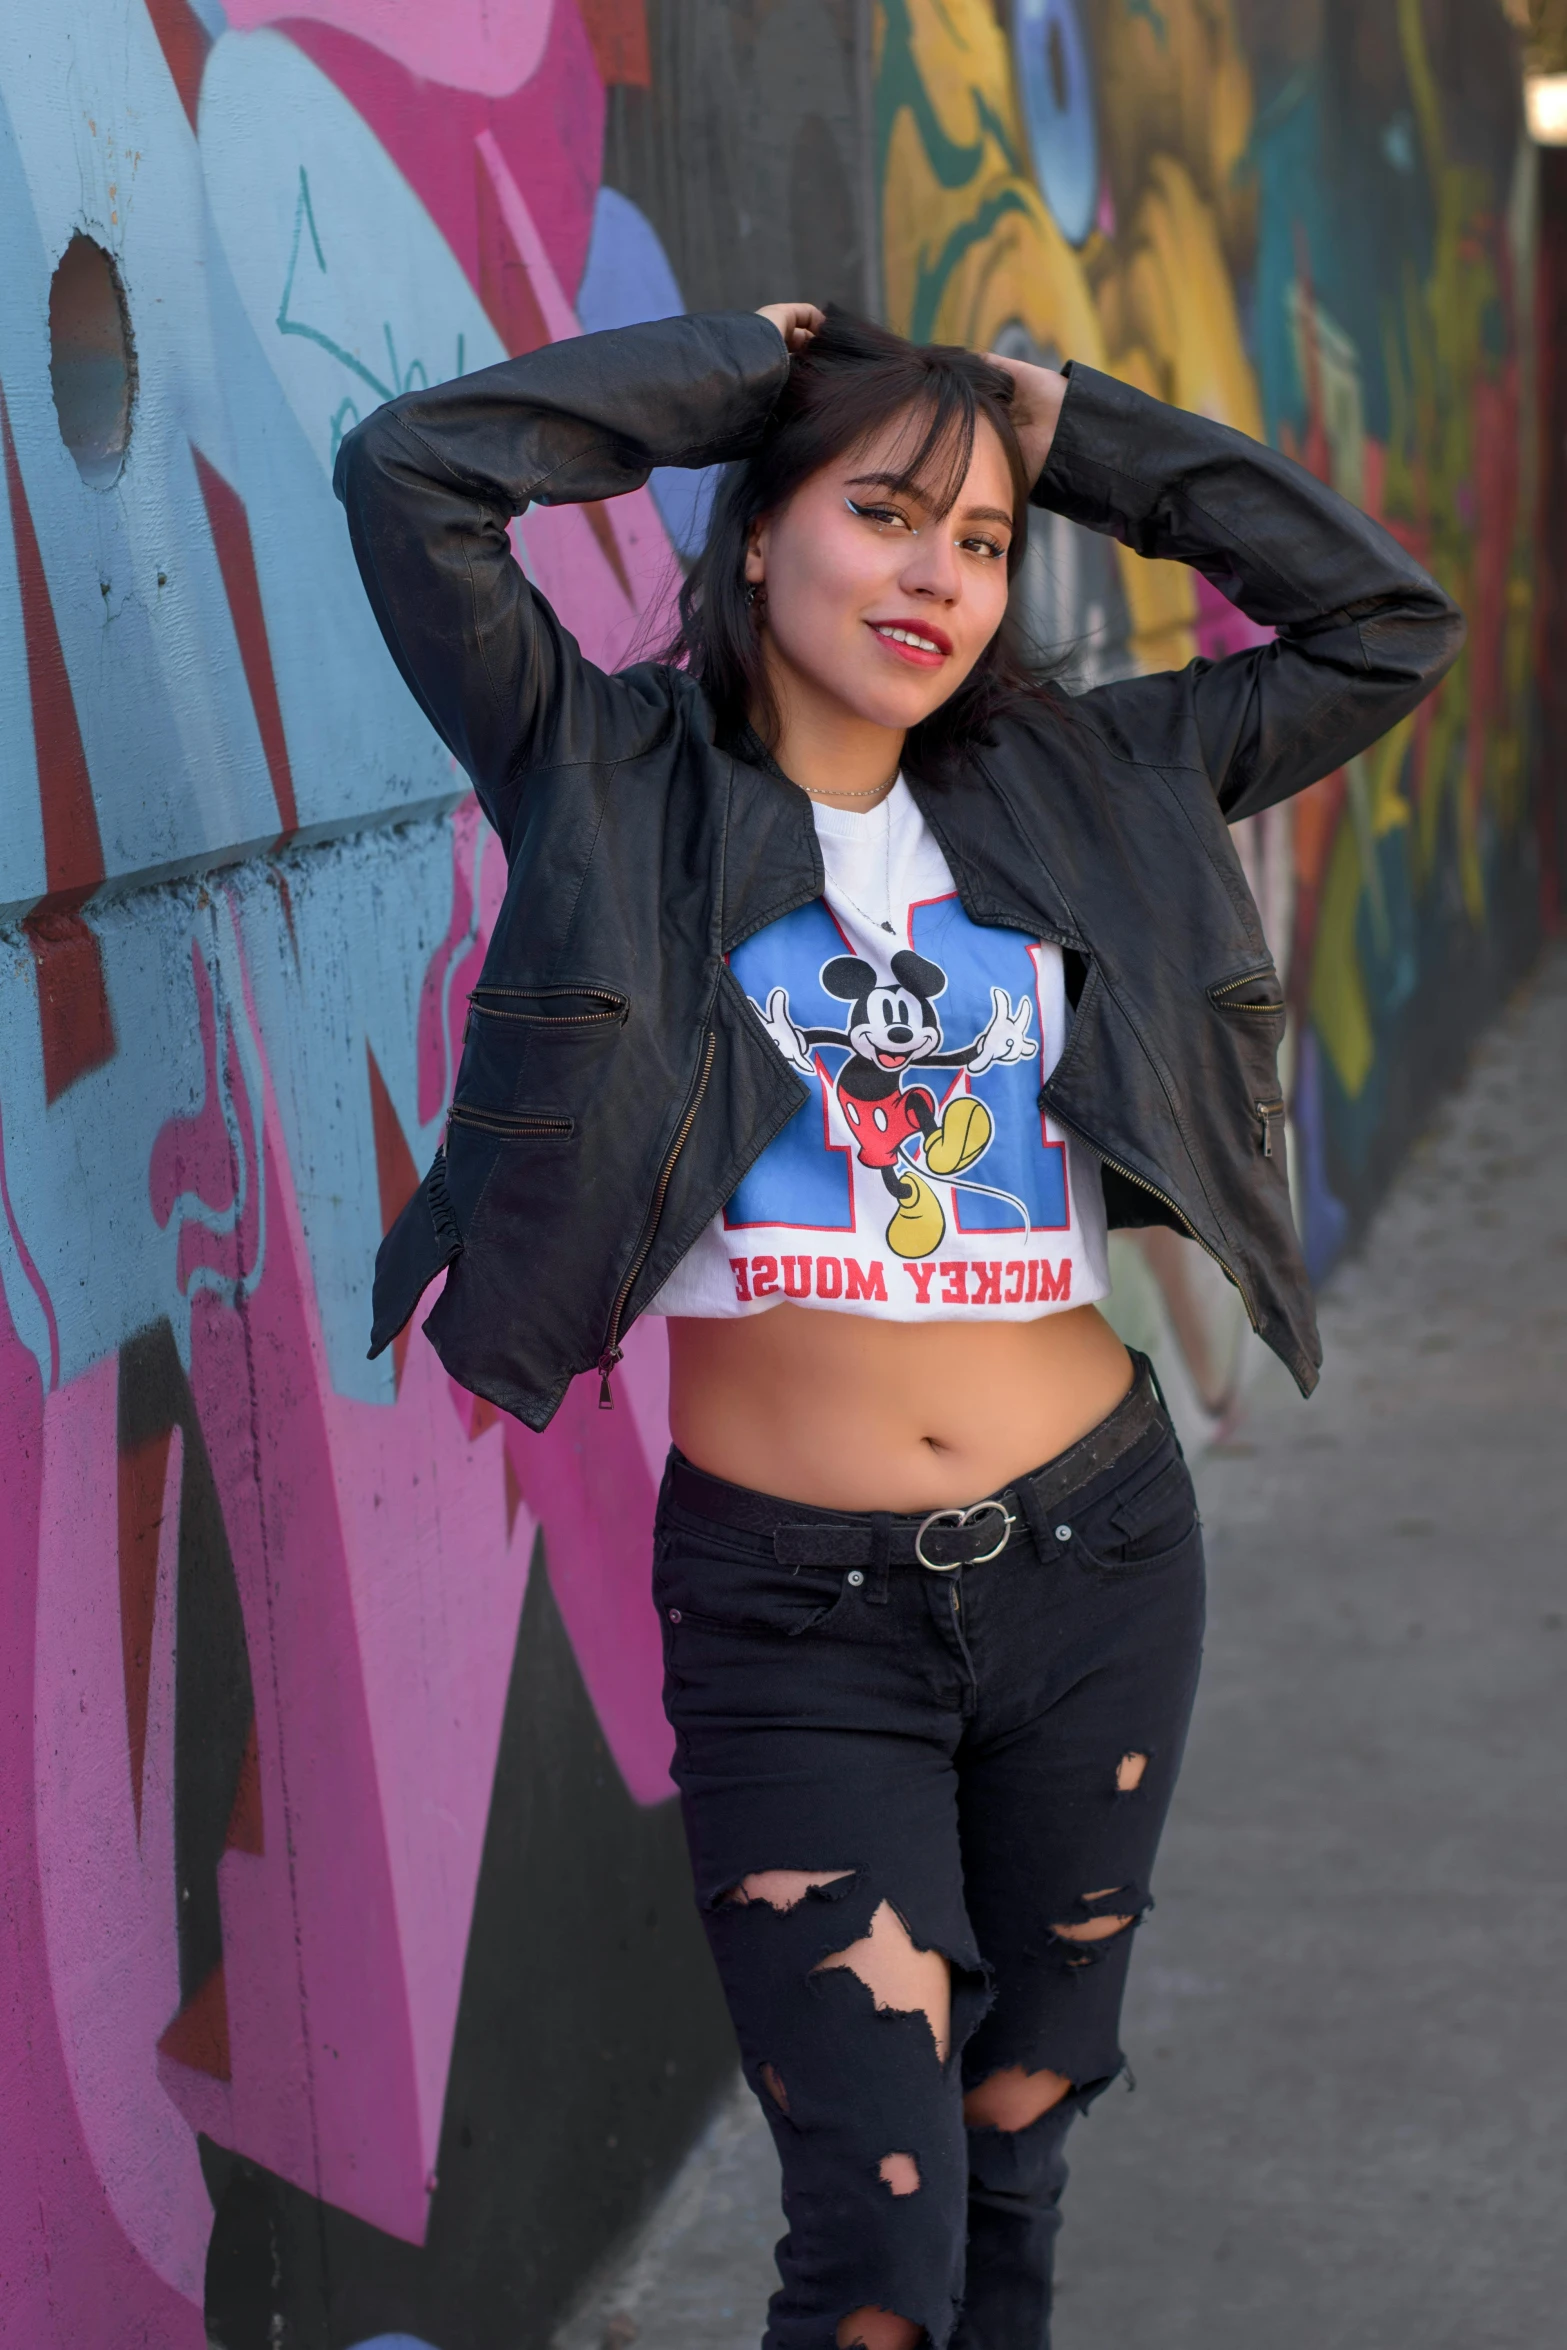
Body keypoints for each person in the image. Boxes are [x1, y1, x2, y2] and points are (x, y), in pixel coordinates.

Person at [336, 300, 1461, 2349]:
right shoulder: (603, 769)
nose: (937, 570)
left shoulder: (1096, 779)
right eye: (879, 510)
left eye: (979, 531)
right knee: (877, 2247)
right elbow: (411, 478)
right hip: (792, 1610)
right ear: (756, 533)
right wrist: (730, 372)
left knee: (1020, 2136)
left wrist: (1076, 428)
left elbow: (1382, 622)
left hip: (1100, 1558)